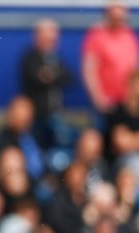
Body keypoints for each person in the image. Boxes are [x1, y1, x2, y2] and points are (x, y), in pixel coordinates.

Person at [20, 18, 73, 149]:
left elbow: (69, 78)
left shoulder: (57, 58)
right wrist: (52, 76)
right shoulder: (29, 57)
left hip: (56, 113)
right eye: (49, 37)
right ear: (38, 37)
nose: (53, 41)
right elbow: (35, 78)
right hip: (35, 116)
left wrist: (52, 75)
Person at [81, 0, 138, 117]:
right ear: (107, 15)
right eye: (115, 17)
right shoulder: (96, 35)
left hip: (127, 100)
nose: (119, 20)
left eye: (122, 17)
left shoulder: (129, 35)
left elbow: (134, 69)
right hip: (106, 100)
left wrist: (133, 96)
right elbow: (89, 70)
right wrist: (98, 97)